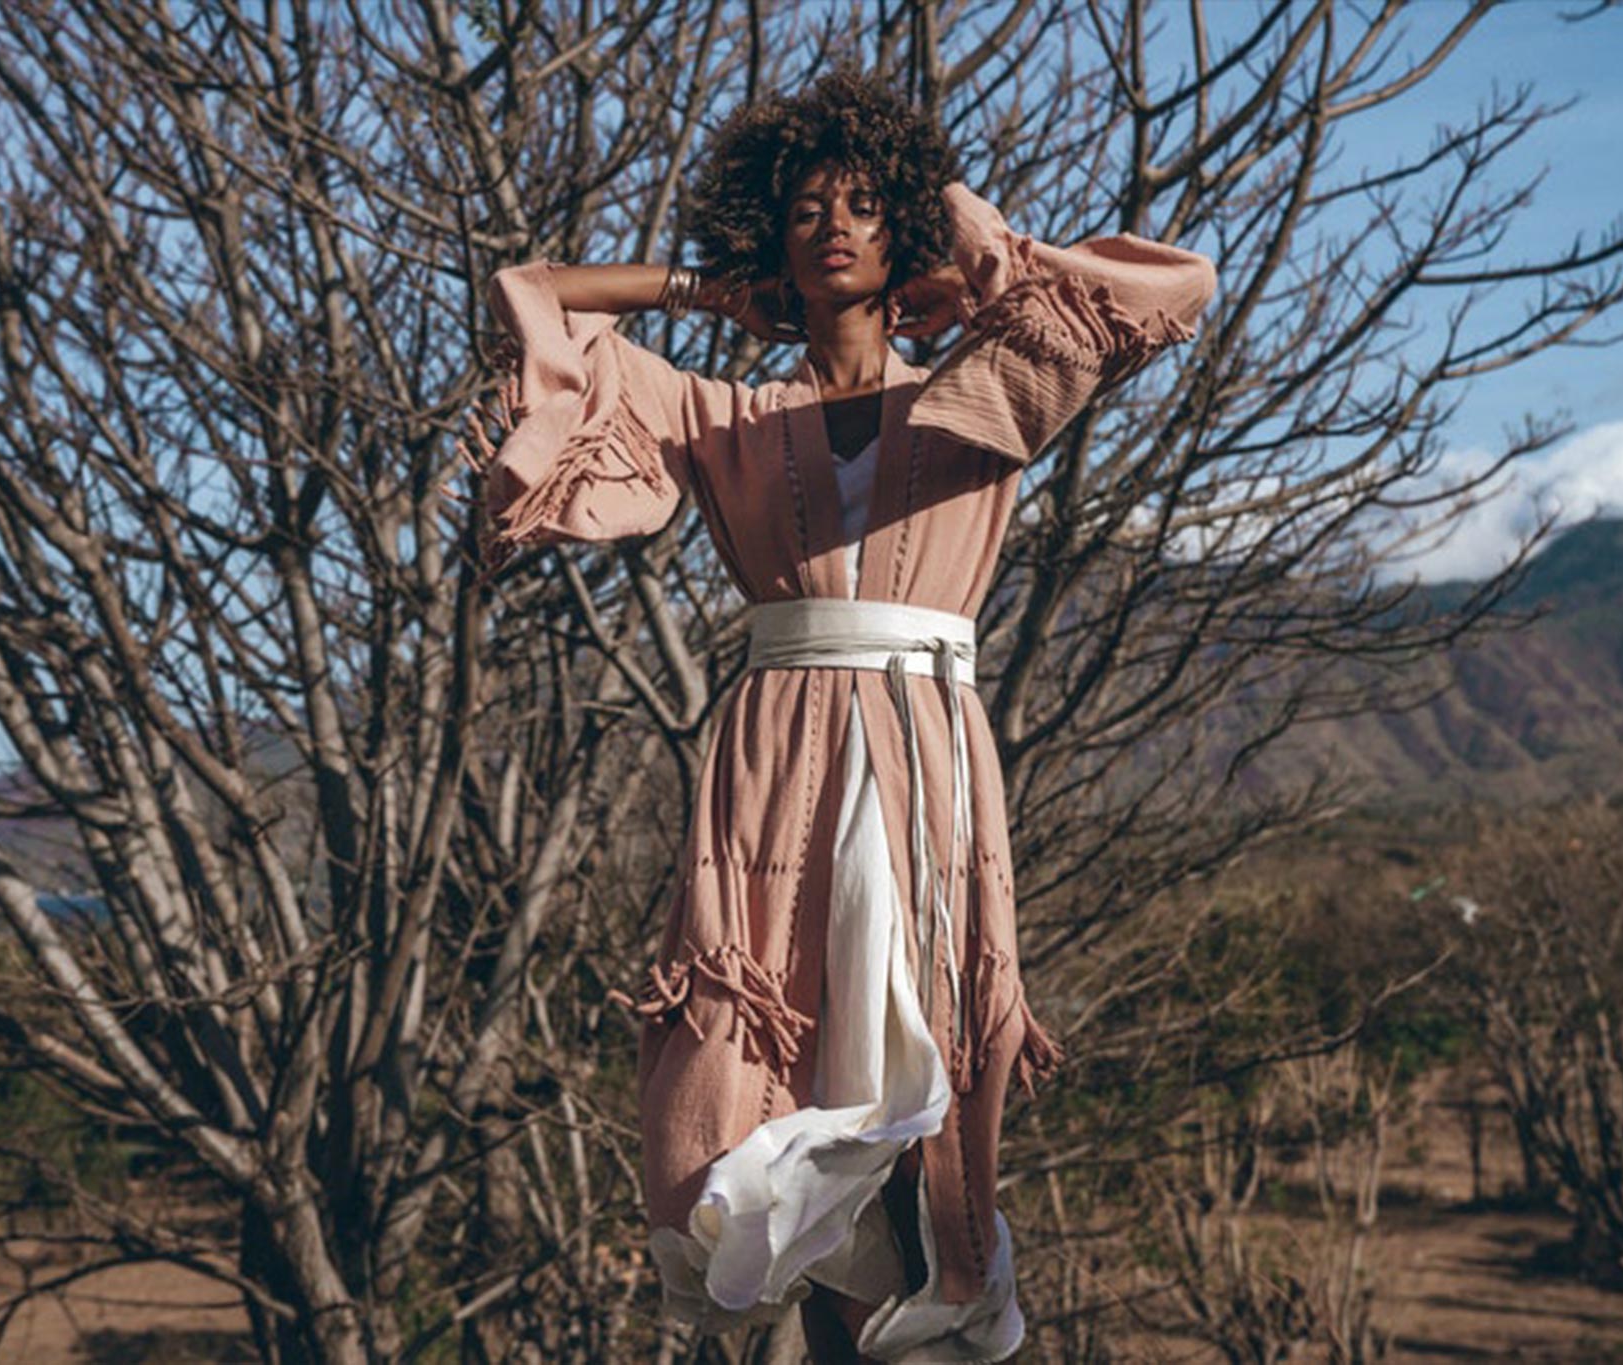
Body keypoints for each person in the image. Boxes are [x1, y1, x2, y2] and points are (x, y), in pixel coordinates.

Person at [459, 69, 1216, 1364]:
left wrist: (965, 257)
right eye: (805, 207)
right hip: (775, 763)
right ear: (771, 236)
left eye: (867, 204)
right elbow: (531, 296)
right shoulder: (728, 414)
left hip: (927, 753)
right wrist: (704, 293)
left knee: (912, 1069)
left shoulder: (981, 389)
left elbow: (1169, 288)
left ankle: (913, 1315)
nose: (834, 225)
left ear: (903, 223)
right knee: (763, 1064)